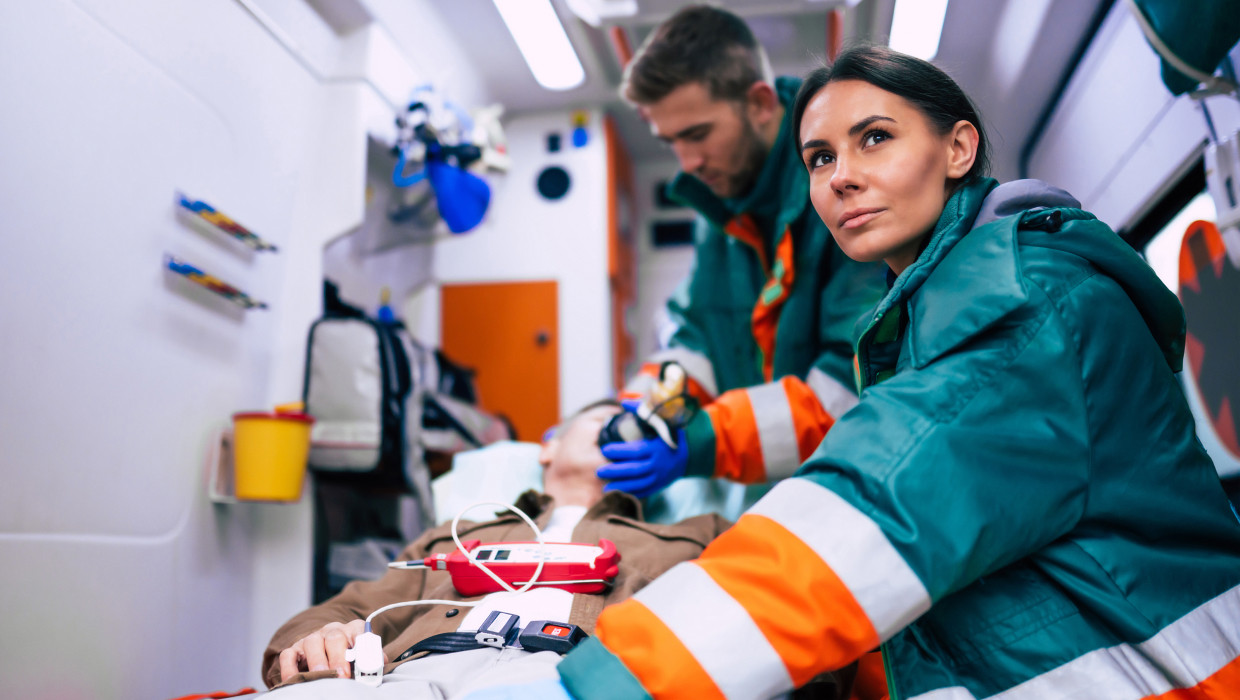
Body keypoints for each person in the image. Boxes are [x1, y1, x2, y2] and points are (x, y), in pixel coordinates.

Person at [526, 46, 1240, 700]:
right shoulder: (931, 300)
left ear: (958, 147)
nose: (842, 178)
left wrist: (594, 688)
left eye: (875, 138)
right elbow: (703, 347)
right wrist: (661, 404)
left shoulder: (1029, 302)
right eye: (819, 159)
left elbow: (876, 505)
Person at [260, 402, 857, 698]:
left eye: (638, 427)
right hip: (417, 672)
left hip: (584, 676)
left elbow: (786, 620)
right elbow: (341, 610)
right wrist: (317, 640)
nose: (626, 431)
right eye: (606, 419)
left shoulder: (701, 533)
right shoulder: (459, 535)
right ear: (547, 448)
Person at [597, 5, 886, 499]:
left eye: (697, 134)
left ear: (758, 104)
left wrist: (703, 442)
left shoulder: (845, 188)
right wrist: (638, 412)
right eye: (670, 141)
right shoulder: (722, 210)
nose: (687, 163)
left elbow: (851, 383)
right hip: (772, 486)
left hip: (856, 486)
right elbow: (697, 342)